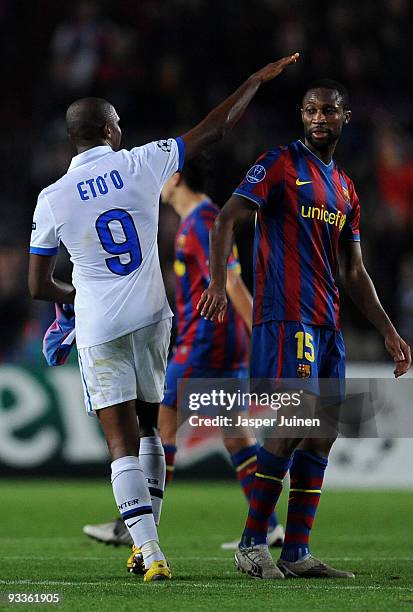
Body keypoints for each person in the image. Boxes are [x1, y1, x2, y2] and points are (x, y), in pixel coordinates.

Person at [28, 53, 300, 582]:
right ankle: (144, 541)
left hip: (101, 325)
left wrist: (75, 294)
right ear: (110, 130)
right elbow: (216, 128)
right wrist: (252, 79)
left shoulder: (52, 198)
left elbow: (37, 286)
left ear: (72, 140)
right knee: (153, 428)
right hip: (155, 317)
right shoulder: (140, 162)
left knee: (119, 443)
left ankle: (150, 552)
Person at [198, 79, 412, 579]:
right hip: (285, 314)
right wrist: (216, 282)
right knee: (297, 421)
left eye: (329, 111)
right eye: (312, 110)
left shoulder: (345, 188)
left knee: (320, 435)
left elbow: (353, 271)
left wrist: (387, 330)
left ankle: (296, 552)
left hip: (327, 323)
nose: (320, 118)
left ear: (345, 117)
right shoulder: (278, 164)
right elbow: (225, 219)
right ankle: (253, 543)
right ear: (301, 115)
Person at [82, 157, 284, 549]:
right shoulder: (199, 221)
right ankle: (269, 525)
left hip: (203, 343)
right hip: (219, 344)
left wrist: (265, 340)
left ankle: (136, 525)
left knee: (158, 428)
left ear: (174, 178)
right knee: (237, 436)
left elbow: (236, 287)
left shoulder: (204, 222)